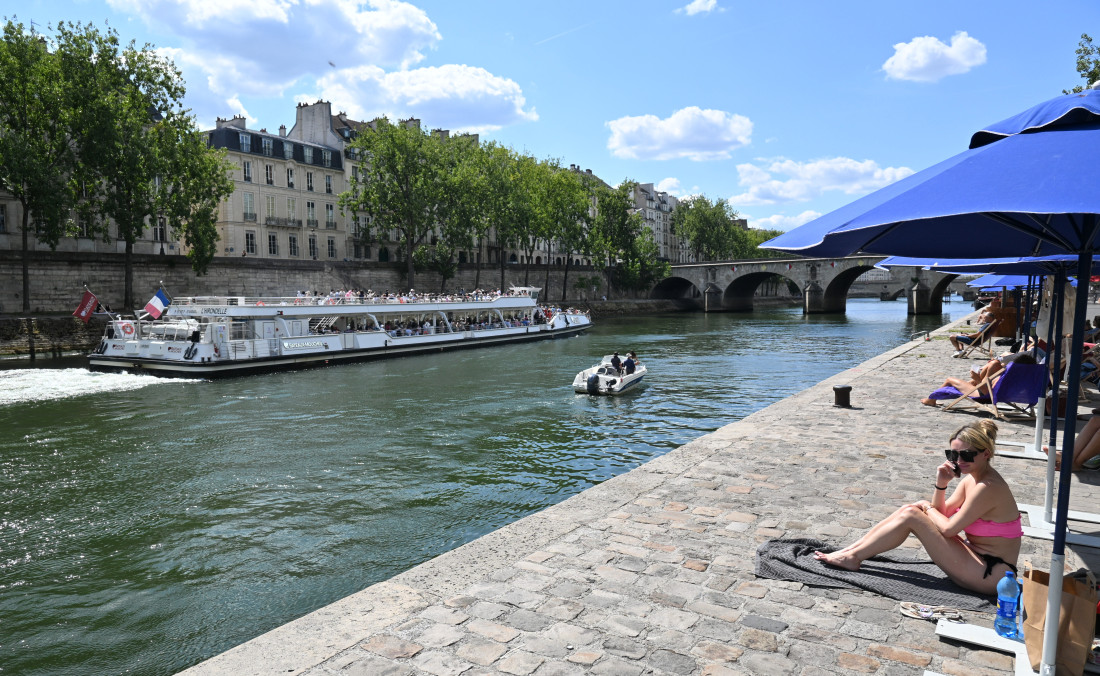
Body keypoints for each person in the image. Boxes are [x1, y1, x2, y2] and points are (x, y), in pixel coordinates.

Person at [814, 420, 1021, 594]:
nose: (958, 461)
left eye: (966, 455)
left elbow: (948, 528)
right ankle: (850, 551)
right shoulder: (972, 479)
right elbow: (943, 514)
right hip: (977, 560)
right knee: (908, 510)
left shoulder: (988, 487)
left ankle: (852, 557)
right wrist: (941, 484)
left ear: (986, 453)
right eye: (952, 455)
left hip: (992, 576)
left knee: (913, 514)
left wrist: (926, 507)